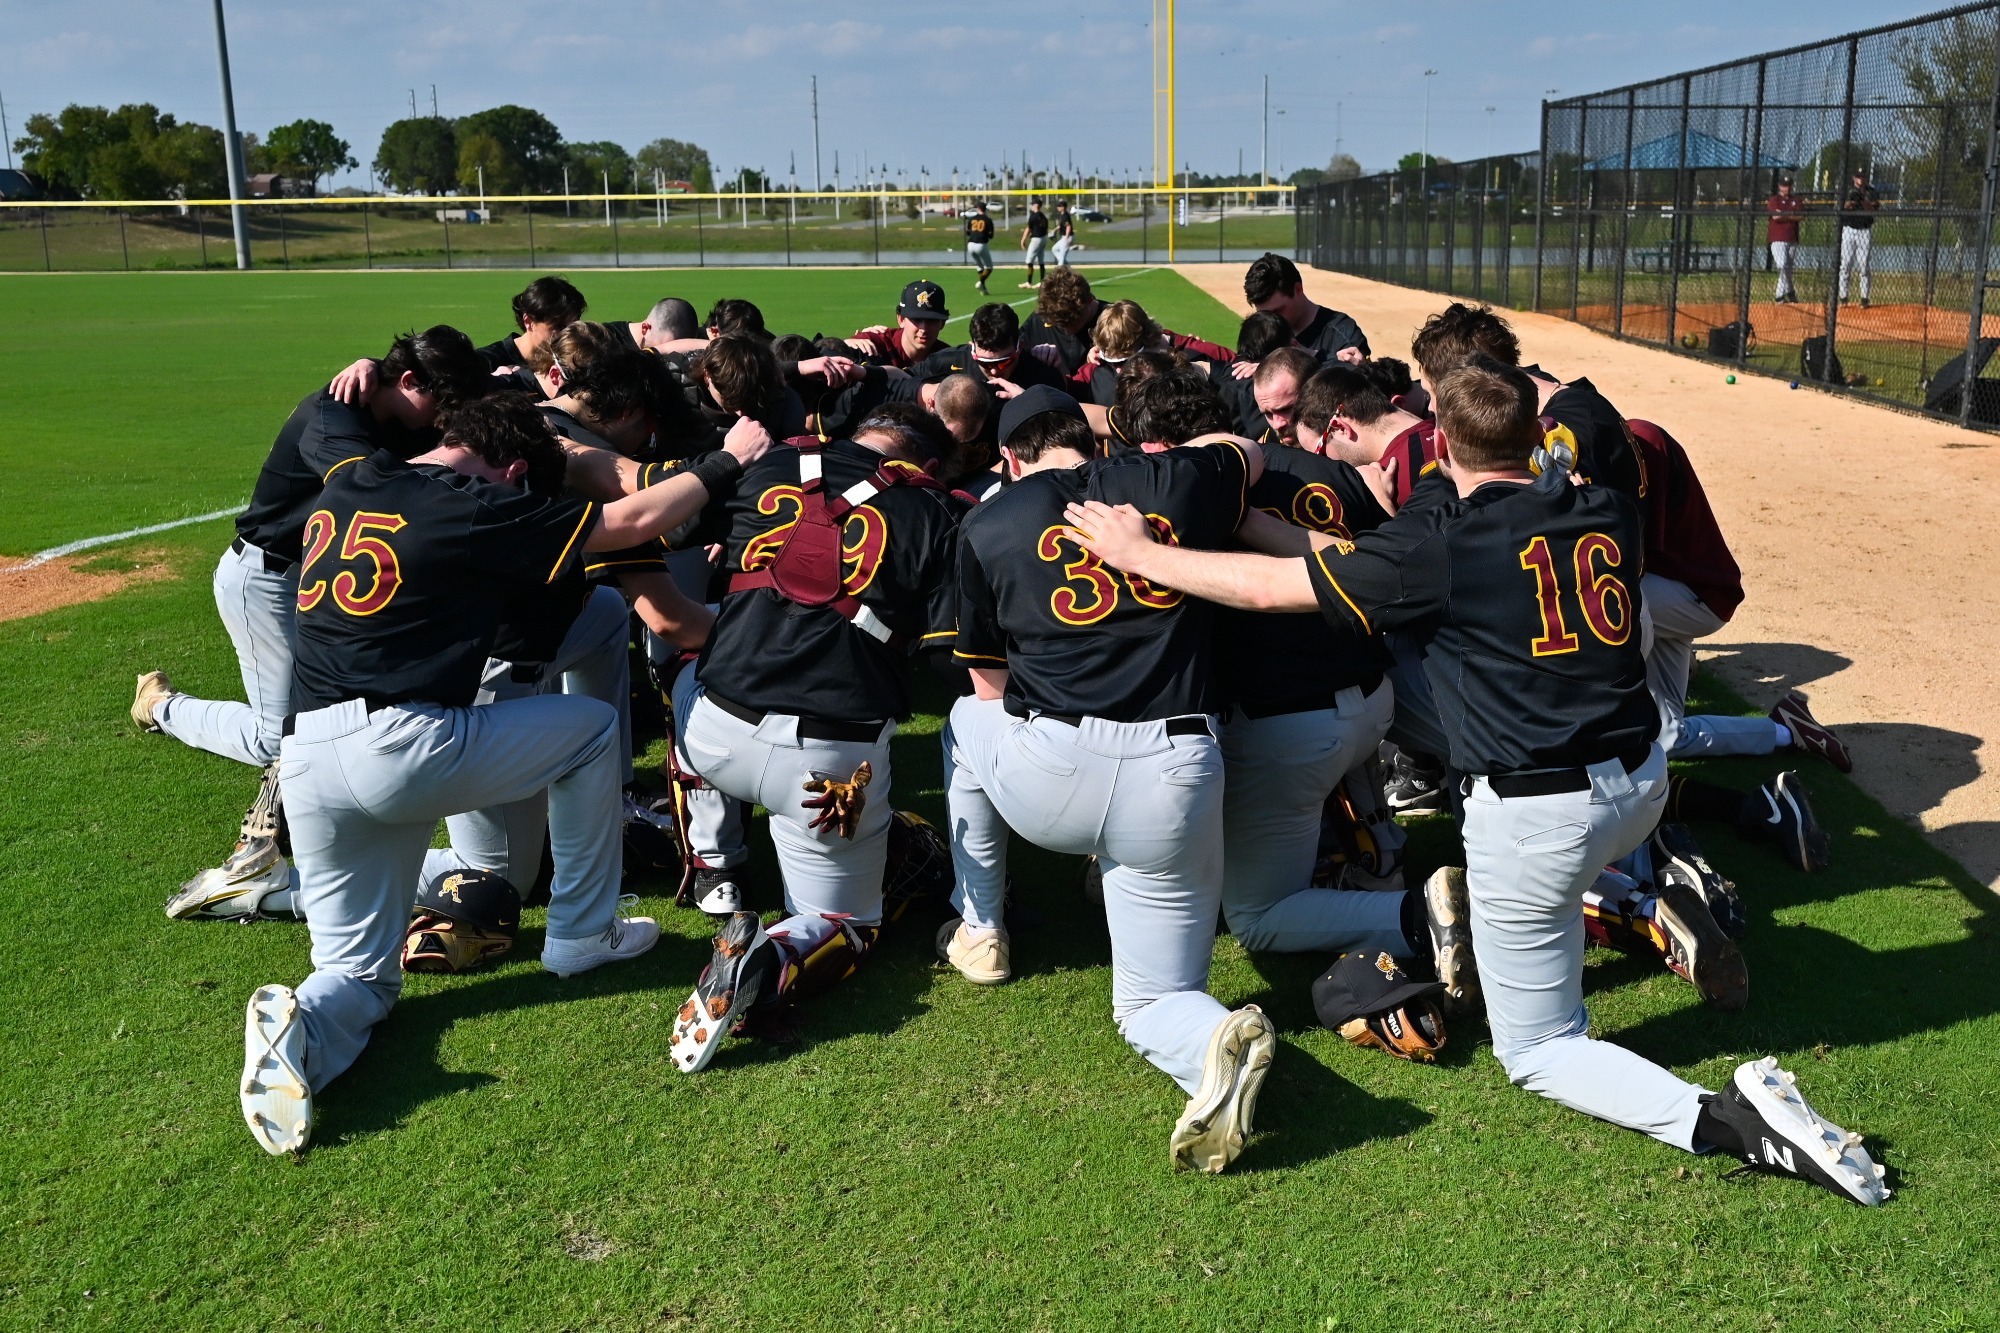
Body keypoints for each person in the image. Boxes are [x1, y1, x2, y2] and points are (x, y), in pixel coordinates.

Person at [1060, 356, 1890, 1207]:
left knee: (1538, 1049)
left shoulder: (1442, 546)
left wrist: (1143, 553)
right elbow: (1573, 421)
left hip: (1541, 811)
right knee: (1544, 883)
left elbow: (1275, 591)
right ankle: (1627, 901)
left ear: (1443, 445)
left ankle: (1731, 1117)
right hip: (1638, 779)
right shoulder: (1605, 505)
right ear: (1536, 432)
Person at [236, 395, 774, 1157]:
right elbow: (627, 522)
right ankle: (582, 934)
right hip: (402, 742)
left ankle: (302, 1033)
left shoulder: (358, 476)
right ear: (514, 468)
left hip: (310, 757)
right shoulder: (472, 502)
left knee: (358, 975)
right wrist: (729, 459)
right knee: (591, 730)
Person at [937, 384, 1277, 1175]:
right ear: (1092, 442)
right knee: (1152, 998)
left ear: (1009, 459)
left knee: (961, 718)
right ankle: (1205, 1028)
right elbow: (1249, 451)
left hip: (1051, 773)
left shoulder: (988, 520)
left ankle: (982, 929)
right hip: (1178, 771)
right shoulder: (1171, 478)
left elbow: (989, 686)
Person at [136, 329, 491, 914]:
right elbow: (369, 490)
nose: (448, 419)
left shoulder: (397, 400)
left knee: (326, 722)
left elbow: (498, 362)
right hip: (267, 580)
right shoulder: (332, 417)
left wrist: (371, 362)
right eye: (444, 404)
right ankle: (162, 707)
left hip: (323, 581)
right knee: (277, 737)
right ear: (407, 381)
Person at [664, 403, 967, 1074]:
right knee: (848, 923)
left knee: (686, 673)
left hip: (716, 733)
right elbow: (948, 654)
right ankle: (768, 953)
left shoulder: (770, 462)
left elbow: (670, 527)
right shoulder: (939, 511)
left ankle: (716, 867)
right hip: (830, 767)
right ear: (929, 463)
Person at [1243, 252, 1368, 363]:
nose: (1271, 321)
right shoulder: (1260, 332)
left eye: (1277, 311)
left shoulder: (1342, 334)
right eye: (1263, 314)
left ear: (1298, 289)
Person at [477, 276, 587, 371]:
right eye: (559, 327)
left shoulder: (575, 364)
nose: (567, 336)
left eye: (573, 327)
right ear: (529, 322)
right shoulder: (484, 363)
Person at [846, 280, 950, 370]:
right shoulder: (875, 343)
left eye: (931, 321)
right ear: (901, 319)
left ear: (942, 323)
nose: (923, 329)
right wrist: (845, 345)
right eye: (917, 320)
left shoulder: (947, 358)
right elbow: (837, 354)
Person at [1839, 170, 1879, 308]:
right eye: (1857, 177)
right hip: (1849, 229)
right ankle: (1843, 297)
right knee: (1845, 264)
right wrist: (1851, 202)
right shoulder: (1847, 190)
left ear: (1865, 178)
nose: (1860, 179)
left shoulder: (1871, 191)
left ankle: (1864, 298)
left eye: (1862, 177)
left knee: (1864, 265)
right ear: (1853, 178)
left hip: (1864, 231)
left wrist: (1862, 200)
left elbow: (1873, 210)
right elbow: (1842, 206)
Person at [1767, 179, 1803, 304]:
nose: (1786, 188)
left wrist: (1784, 215)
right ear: (1779, 186)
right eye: (1784, 185)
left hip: (1792, 238)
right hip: (1777, 238)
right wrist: (1791, 215)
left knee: (1788, 268)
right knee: (1782, 265)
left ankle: (1787, 293)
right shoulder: (1774, 200)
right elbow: (1776, 216)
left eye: (1788, 185)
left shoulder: (1796, 200)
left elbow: (1800, 216)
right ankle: (1782, 294)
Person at [963, 202, 997, 295]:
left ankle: (983, 289)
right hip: (981, 244)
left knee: (979, 267)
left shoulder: (972, 219)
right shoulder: (988, 220)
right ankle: (981, 282)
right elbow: (991, 235)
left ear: (978, 209)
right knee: (989, 267)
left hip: (970, 244)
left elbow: (968, 232)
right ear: (985, 209)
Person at [1020, 200, 1051, 288]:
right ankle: (1042, 281)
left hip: (1036, 239)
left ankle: (1029, 282)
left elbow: (1028, 229)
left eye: (1032, 205)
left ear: (1036, 205)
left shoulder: (1033, 216)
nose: (1031, 206)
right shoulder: (1043, 216)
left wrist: (1023, 240)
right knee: (1041, 260)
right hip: (1043, 238)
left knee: (1029, 261)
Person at [1052, 201, 1078, 267]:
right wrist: (1054, 230)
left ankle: (1062, 265)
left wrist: (1066, 238)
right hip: (1064, 237)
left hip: (1067, 237)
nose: (1058, 208)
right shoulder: (1061, 215)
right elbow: (1061, 226)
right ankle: (1066, 265)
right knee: (1054, 249)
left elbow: (1068, 227)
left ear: (1063, 207)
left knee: (1062, 256)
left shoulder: (1065, 216)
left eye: (1059, 206)